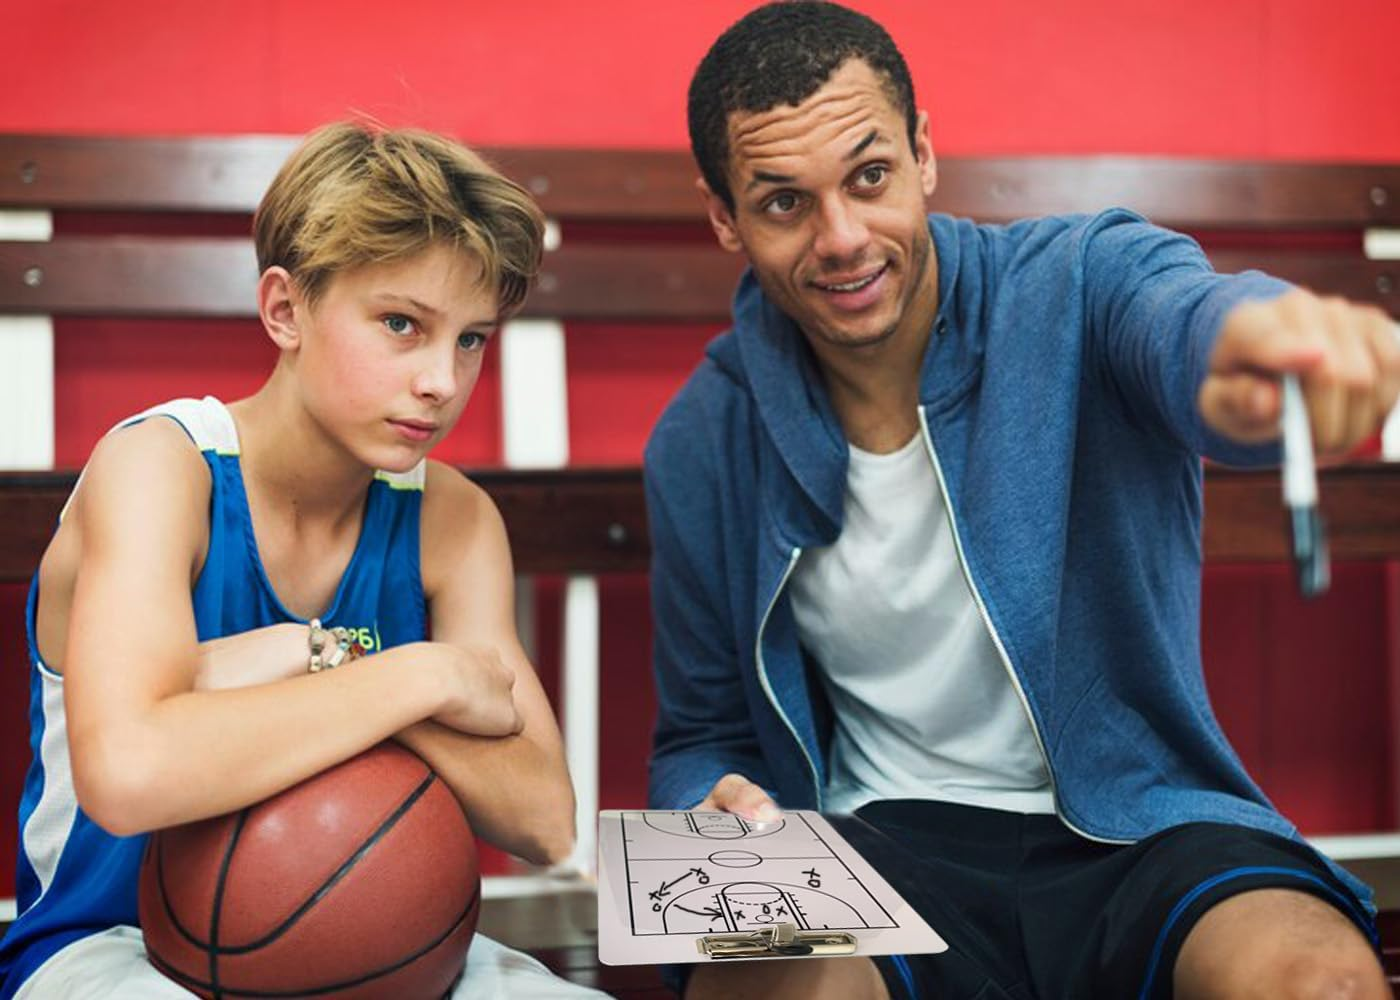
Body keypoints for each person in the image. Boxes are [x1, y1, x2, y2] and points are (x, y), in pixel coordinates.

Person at [643, 3, 1400, 998]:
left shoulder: (1075, 282)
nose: (840, 238)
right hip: (874, 840)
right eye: (783, 203)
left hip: (1141, 819)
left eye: (868, 177)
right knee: (760, 987)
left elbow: (1184, 321)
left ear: (920, 156)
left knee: (1315, 981)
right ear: (722, 218)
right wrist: (713, 806)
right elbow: (700, 736)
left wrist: (1257, 352)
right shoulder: (702, 438)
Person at [0, 122, 604, 1000]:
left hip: (391, 950)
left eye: (471, 339)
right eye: (402, 323)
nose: (442, 379)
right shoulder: (160, 469)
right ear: (285, 309)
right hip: (115, 946)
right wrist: (415, 677)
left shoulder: (455, 518)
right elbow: (131, 773)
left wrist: (282, 667)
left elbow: (543, 819)